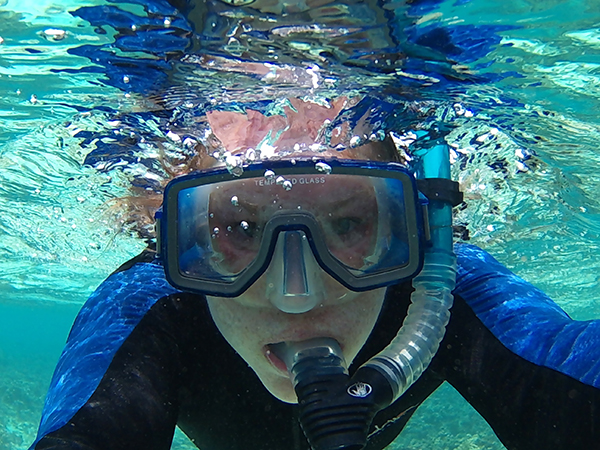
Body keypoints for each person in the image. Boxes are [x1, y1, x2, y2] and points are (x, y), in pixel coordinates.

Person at [29, 97, 600, 450]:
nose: (295, 297)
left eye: (350, 224)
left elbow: (568, 366)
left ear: (413, 226)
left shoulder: (442, 287)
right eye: (242, 229)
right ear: (179, 237)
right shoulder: (154, 303)